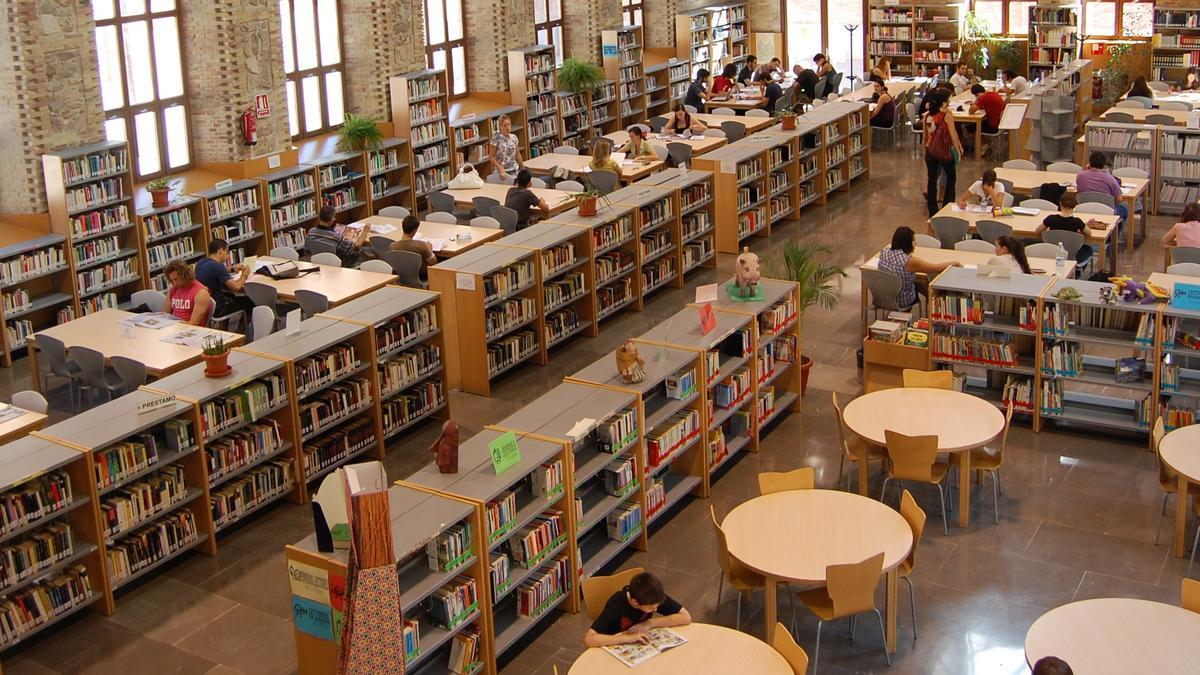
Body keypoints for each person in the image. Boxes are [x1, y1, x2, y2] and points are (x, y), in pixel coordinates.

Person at [583, 572, 692, 647]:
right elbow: (589, 639)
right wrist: (629, 638)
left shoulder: (653, 594)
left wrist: (650, 623)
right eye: (651, 608)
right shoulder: (616, 605)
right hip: (612, 645)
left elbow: (686, 617)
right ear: (635, 602)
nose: (656, 609)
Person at [878, 226, 959, 309]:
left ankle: (929, 297)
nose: (915, 243)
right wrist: (954, 263)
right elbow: (936, 268)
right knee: (926, 283)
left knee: (917, 280)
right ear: (907, 243)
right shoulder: (909, 261)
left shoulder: (884, 252)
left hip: (885, 296)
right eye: (913, 240)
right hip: (902, 300)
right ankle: (933, 302)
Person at [922, 89, 963, 217]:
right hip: (945, 152)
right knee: (951, 178)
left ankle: (932, 211)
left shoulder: (927, 116)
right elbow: (952, 134)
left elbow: (925, 136)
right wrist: (958, 149)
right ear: (944, 102)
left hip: (931, 152)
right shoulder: (947, 116)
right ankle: (947, 208)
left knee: (932, 180)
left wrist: (927, 149)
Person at [1035, 192, 1100, 265]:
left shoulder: (1050, 219)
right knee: (1088, 249)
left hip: (1054, 253)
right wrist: (1083, 227)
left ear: (1060, 203)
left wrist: (1048, 232)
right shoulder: (1077, 222)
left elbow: (1037, 232)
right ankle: (1077, 272)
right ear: (1075, 205)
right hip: (1072, 254)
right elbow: (1089, 234)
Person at [194, 239, 254, 320]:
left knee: (231, 295)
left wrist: (233, 269)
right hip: (219, 308)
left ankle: (225, 328)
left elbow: (216, 271)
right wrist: (245, 274)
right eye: (227, 252)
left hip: (207, 304)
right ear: (221, 251)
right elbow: (236, 287)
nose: (228, 255)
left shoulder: (201, 262)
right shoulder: (218, 266)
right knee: (250, 301)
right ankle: (240, 331)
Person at [1075, 151, 1129, 221]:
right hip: (1106, 211)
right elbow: (1119, 199)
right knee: (1124, 209)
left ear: (1089, 163)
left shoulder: (1080, 175)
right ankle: (1116, 230)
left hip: (1085, 208)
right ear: (1104, 165)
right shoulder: (1109, 178)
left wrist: (1086, 169)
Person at [164, 260, 212, 326]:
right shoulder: (173, 289)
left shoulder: (201, 293)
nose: (174, 283)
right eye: (172, 280)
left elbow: (194, 323)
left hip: (189, 329)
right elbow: (165, 315)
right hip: (173, 326)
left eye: (176, 279)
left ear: (185, 275)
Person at [969, 83, 1007, 156]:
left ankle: (983, 145)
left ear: (976, 94)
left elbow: (971, 111)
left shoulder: (982, 97)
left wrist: (974, 103)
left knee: (971, 127)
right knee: (978, 124)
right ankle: (985, 144)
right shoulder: (993, 94)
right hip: (1000, 123)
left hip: (994, 126)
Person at [488, 114, 522, 181]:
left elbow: (517, 154)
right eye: (505, 125)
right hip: (502, 171)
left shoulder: (514, 137)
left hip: (514, 170)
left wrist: (522, 167)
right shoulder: (496, 139)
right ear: (500, 127)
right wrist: (500, 168)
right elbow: (491, 157)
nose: (507, 127)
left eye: (509, 125)